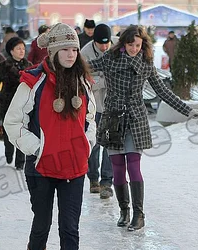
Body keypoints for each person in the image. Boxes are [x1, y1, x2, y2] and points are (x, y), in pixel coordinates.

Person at [88, 25, 198, 231]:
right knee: (117, 169)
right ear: (123, 43)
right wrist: (64, 61)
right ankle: (124, 210)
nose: (134, 49)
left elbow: (163, 92)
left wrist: (187, 110)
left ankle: (139, 215)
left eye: (138, 45)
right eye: (130, 44)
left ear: (143, 45)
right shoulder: (110, 59)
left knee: (133, 165)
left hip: (135, 119)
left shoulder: (146, 63)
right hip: (113, 119)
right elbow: (88, 66)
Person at [3, 23, 96, 250]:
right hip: (41, 167)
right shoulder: (34, 82)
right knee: (41, 227)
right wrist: (38, 149)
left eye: (74, 49)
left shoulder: (83, 82)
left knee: (70, 230)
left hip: (74, 168)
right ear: (53, 51)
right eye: (65, 50)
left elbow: (90, 119)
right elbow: (12, 122)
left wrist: (86, 145)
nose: (71, 55)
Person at [81, 24, 115, 199]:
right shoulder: (85, 53)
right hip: (93, 107)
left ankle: (106, 182)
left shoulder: (116, 48)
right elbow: (84, 80)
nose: (104, 47)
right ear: (94, 42)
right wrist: (104, 81)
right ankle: (93, 178)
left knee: (110, 144)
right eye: (101, 44)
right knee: (94, 144)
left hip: (112, 106)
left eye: (106, 43)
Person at [0, 37, 32, 170]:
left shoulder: (28, 65)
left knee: (22, 131)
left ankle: (20, 161)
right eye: (18, 48)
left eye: (23, 48)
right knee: (8, 131)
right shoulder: (4, 66)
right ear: (11, 51)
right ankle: (8, 150)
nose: (22, 51)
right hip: (7, 102)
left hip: (23, 103)